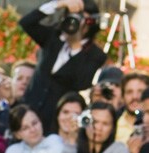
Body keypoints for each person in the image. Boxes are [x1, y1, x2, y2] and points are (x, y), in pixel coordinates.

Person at [20, 0, 106, 133]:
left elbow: (81, 83)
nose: (76, 22)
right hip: (27, 116)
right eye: (74, 17)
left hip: (55, 124)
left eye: (84, 19)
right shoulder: (53, 38)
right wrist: (59, 4)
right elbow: (27, 23)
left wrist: (76, 47)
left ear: (91, 23)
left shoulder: (95, 55)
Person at [4, 104, 75, 153]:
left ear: (40, 122)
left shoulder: (54, 141)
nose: (33, 130)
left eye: (34, 123)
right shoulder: (12, 151)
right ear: (17, 135)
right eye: (25, 128)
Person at [114, 71, 149, 144]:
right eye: (129, 92)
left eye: (140, 91)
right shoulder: (112, 123)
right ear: (123, 96)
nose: (135, 96)